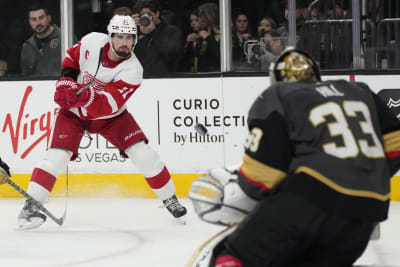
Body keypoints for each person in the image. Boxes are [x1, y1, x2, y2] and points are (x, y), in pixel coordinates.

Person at [188, 47, 400, 266]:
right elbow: (396, 146)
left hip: (309, 200)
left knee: (231, 256)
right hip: (368, 211)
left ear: (276, 78)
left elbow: (260, 177)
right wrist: (365, 177)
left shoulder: (279, 95)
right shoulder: (359, 90)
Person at [17, 15, 187, 230]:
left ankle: (169, 198)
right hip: (73, 114)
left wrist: (81, 97)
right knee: (56, 157)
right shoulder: (92, 41)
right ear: (110, 37)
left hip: (112, 118)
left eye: (129, 38)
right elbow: (72, 56)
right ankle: (31, 205)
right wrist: (67, 79)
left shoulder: (133, 70)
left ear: (135, 40)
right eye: (120, 37)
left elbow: (110, 104)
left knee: (145, 155)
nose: (125, 43)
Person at [132, 0, 182, 74]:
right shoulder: (136, 32)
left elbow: (171, 56)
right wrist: (130, 29)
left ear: (157, 13)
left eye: (148, 14)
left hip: (163, 79)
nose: (145, 18)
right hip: (140, 79)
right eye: (141, 15)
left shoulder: (172, 31)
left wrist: (153, 32)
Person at [20, 3, 62, 77]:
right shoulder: (27, 46)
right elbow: (25, 78)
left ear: (49, 18)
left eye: (41, 18)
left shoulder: (64, 37)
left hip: (61, 87)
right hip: (36, 88)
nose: (38, 23)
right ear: (29, 22)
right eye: (34, 19)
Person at [196, 2, 220, 72]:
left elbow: (219, 54)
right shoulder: (202, 33)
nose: (199, 20)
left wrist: (208, 38)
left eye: (200, 16)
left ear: (208, 17)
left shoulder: (224, 34)